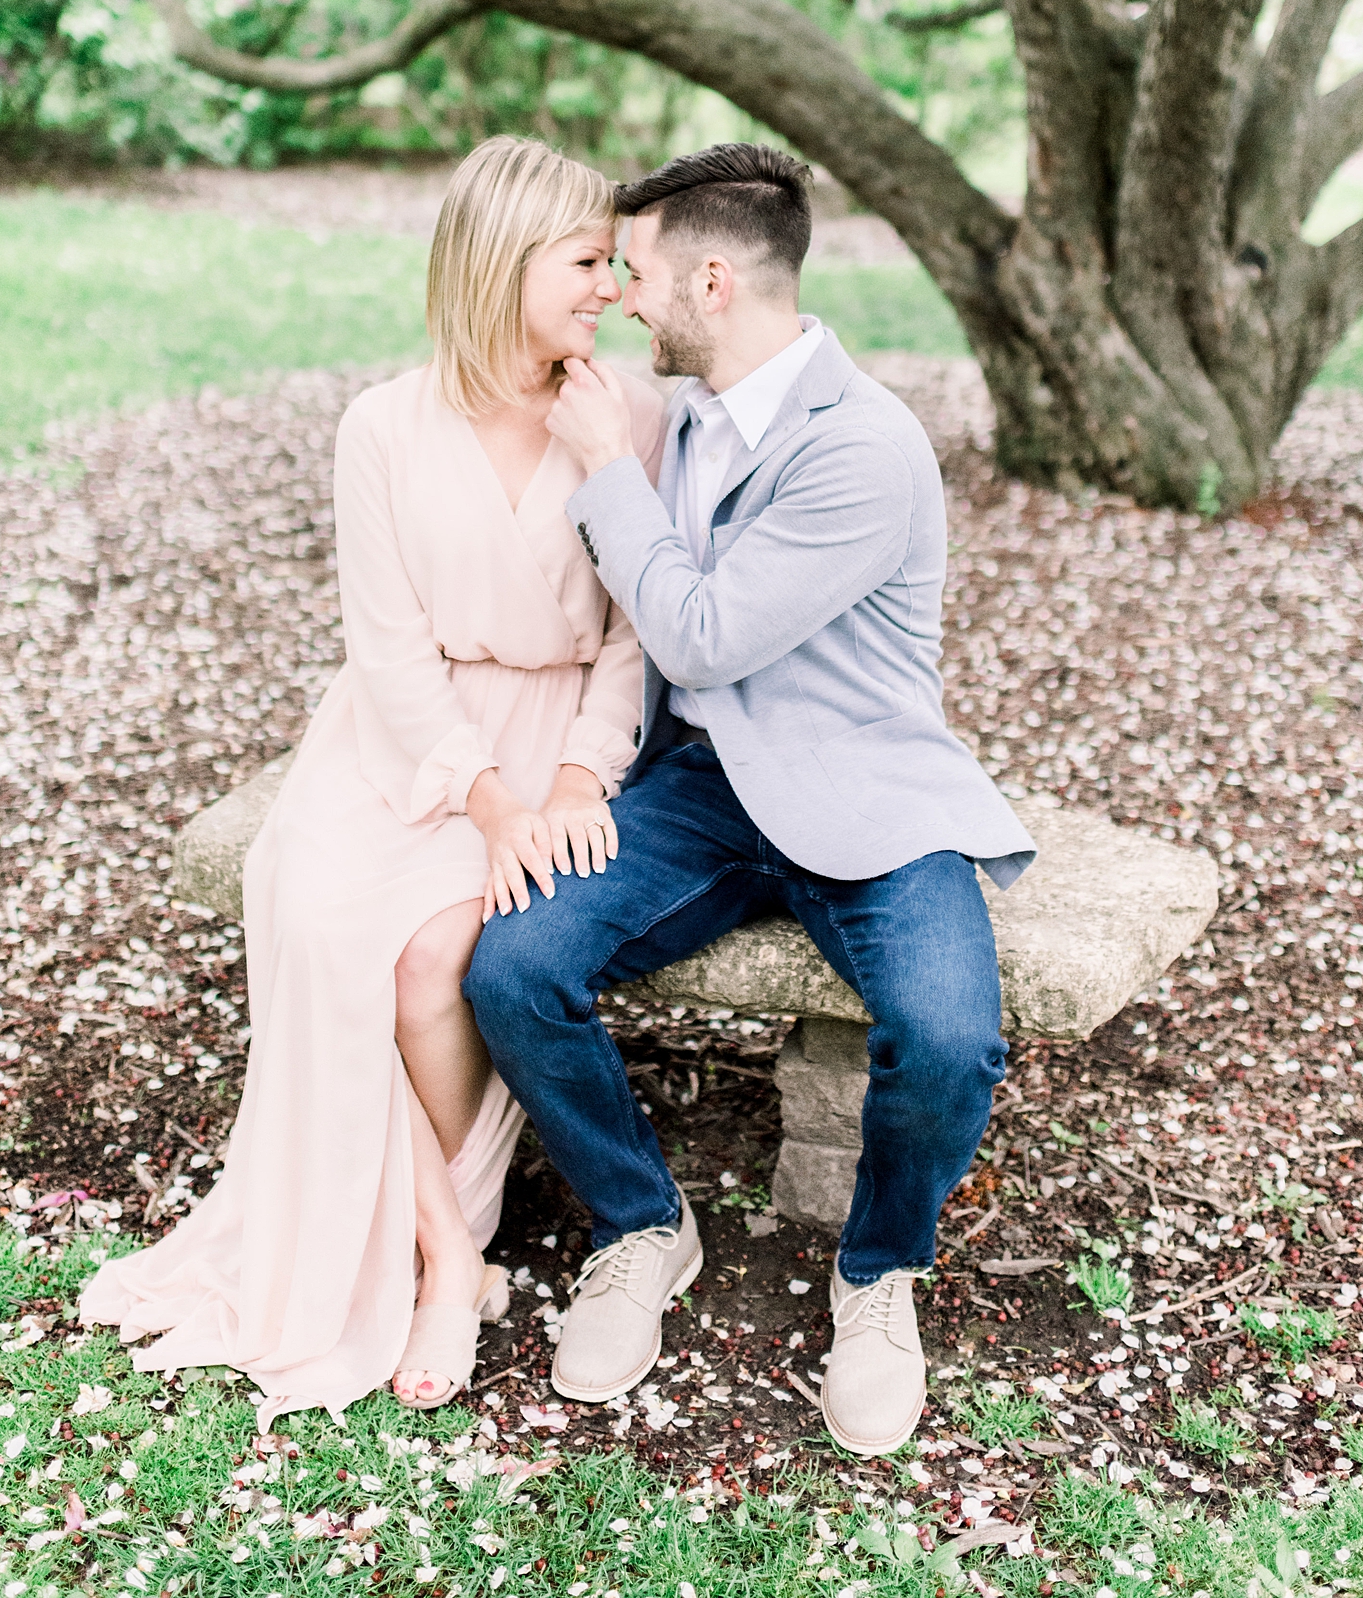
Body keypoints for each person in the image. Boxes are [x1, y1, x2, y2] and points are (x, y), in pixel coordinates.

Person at [81, 138, 665, 1428]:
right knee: (319, 917)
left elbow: (634, 636)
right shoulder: (384, 426)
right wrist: (483, 798)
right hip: (405, 739)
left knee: (430, 960)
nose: (615, 287)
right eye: (587, 261)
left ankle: (440, 1230)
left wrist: (572, 778)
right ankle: (449, 1263)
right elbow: (387, 650)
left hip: (554, 732)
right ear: (503, 265)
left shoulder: (631, 420)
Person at [465, 142, 1034, 1459]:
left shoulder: (863, 447)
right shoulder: (683, 414)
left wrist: (606, 464)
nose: (616, 293)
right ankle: (640, 1224)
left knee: (948, 1040)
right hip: (704, 792)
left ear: (712, 278)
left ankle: (878, 1273)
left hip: (866, 802)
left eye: (637, 269)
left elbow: (706, 635)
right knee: (513, 966)